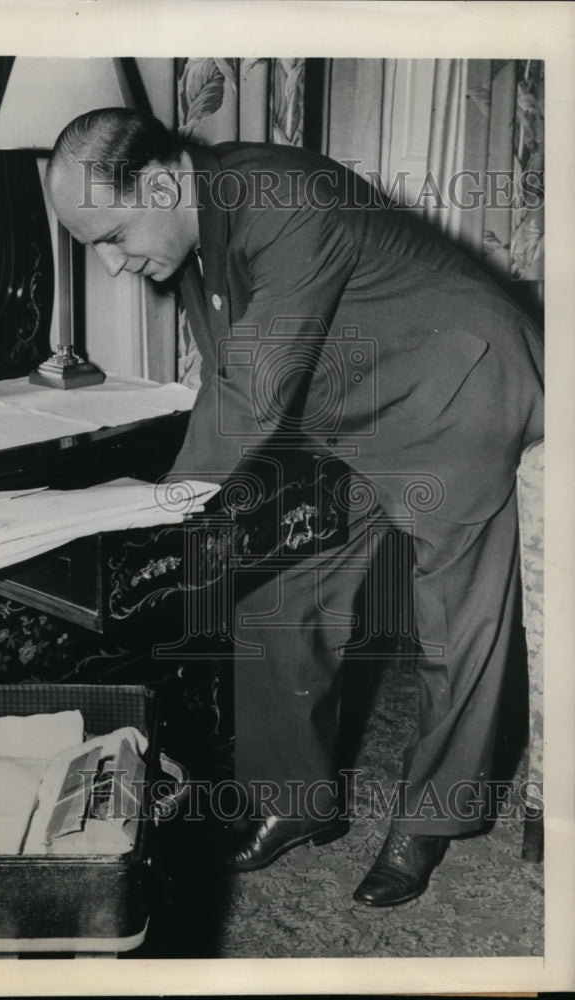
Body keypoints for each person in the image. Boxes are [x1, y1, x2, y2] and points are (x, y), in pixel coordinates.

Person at [46, 108, 544, 906]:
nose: (111, 264)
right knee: (279, 582)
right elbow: (228, 375)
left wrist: (164, 503)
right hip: (353, 408)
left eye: (112, 236)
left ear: (163, 186)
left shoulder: (283, 199)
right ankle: (294, 800)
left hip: (459, 386)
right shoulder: (199, 221)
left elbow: (253, 383)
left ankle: (432, 820)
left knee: (454, 626)